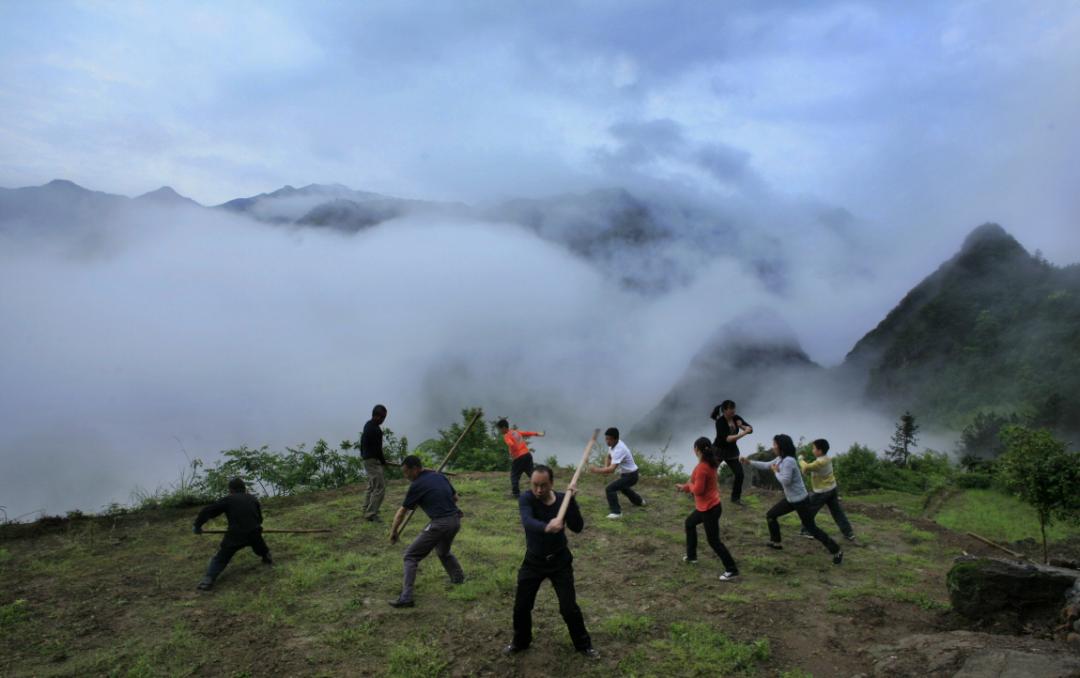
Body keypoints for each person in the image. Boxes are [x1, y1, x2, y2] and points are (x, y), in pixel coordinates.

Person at [505, 465, 598, 658]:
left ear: (552, 484)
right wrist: (548, 526)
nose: (539, 490)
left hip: (560, 561)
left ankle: (584, 645)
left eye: (544, 485)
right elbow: (527, 521)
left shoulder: (563, 499)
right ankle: (521, 642)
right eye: (535, 485)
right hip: (534, 561)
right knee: (522, 606)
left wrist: (571, 501)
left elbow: (578, 527)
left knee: (568, 607)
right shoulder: (527, 498)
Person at [741, 434, 843, 565]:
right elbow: (767, 465)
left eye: (775, 445)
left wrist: (775, 471)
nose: (773, 447)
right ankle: (776, 542)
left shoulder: (789, 461)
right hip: (790, 499)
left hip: (801, 501)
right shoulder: (780, 459)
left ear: (781, 446)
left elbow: (785, 481)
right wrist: (749, 462)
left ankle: (837, 550)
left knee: (811, 528)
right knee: (771, 515)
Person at [388, 455, 465, 608]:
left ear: (415, 469)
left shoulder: (416, 485)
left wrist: (393, 532)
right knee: (443, 551)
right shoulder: (439, 476)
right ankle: (458, 578)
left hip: (440, 523)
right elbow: (455, 498)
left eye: (406, 472)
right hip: (455, 520)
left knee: (410, 556)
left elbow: (401, 512)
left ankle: (406, 598)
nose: (406, 476)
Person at [675, 437, 740, 581]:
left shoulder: (702, 468)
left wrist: (690, 487)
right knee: (689, 523)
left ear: (697, 450)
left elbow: (697, 490)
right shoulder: (710, 463)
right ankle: (691, 557)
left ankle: (732, 569)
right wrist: (684, 487)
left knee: (714, 541)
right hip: (708, 507)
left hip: (709, 509)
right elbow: (693, 483)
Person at [192, 477, 272, 591]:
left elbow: (208, 511)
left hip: (236, 535)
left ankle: (208, 580)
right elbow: (259, 519)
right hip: (254, 532)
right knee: (260, 546)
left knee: (221, 558)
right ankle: (267, 557)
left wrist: (197, 526)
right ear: (245, 489)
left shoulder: (228, 500)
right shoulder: (253, 499)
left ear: (230, 490)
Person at [798, 438, 856, 542]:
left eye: (814, 448)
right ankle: (848, 532)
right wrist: (805, 469)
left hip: (821, 492)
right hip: (832, 489)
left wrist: (800, 459)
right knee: (837, 512)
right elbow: (810, 468)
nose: (812, 450)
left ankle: (805, 530)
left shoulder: (819, 463)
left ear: (819, 451)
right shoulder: (827, 459)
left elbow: (806, 467)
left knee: (809, 510)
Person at [589, 427, 646, 519]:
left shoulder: (620, 449)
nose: (607, 441)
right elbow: (608, 457)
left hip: (632, 475)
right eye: (606, 439)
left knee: (610, 489)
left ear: (616, 439)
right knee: (623, 488)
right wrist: (605, 468)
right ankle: (639, 501)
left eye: (609, 439)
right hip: (626, 474)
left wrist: (596, 470)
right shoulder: (613, 445)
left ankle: (616, 512)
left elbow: (612, 469)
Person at [711, 400, 752, 505]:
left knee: (739, 474)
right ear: (725, 410)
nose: (733, 411)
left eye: (734, 408)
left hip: (731, 452)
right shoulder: (720, 422)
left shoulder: (736, 418)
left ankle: (735, 498)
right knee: (708, 471)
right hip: (718, 450)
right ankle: (694, 490)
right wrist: (743, 433)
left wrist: (743, 427)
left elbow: (750, 429)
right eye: (731, 409)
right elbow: (727, 439)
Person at [497, 419, 545, 498]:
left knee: (514, 475)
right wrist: (537, 433)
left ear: (504, 428)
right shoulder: (515, 432)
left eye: (499, 429)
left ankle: (515, 494)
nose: (499, 431)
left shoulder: (506, 435)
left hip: (519, 457)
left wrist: (511, 448)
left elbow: (511, 444)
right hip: (527, 455)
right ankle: (542, 487)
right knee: (531, 474)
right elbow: (527, 433)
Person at [361, 404, 390, 522]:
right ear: (376, 416)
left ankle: (366, 508)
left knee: (372, 486)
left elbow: (363, 444)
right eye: (382, 417)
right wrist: (383, 462)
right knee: (380, 488)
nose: (383, 420)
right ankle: (371, 514)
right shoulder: (376, 430)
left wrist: (364, 456)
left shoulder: (367, 425)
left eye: (384, 417)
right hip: (373, 461)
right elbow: (378, 449)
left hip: (367, 459)